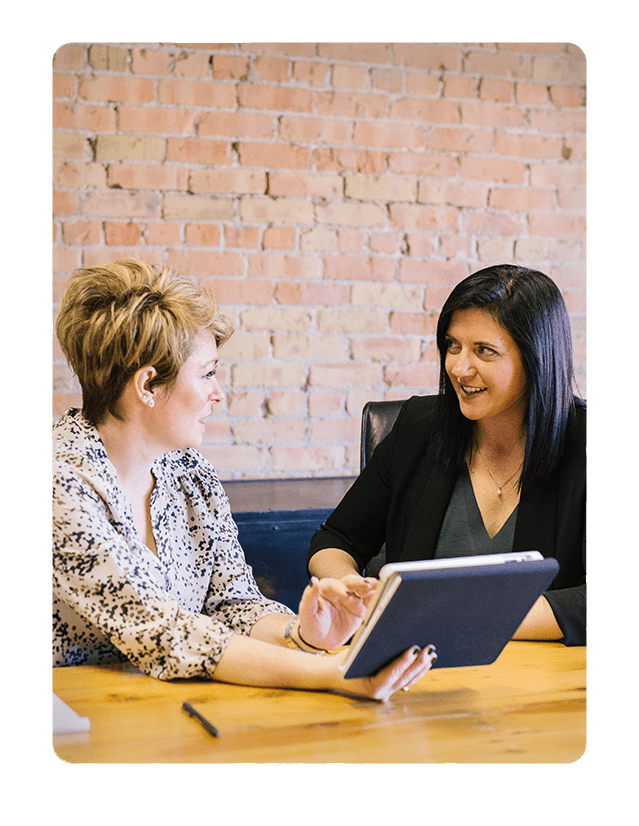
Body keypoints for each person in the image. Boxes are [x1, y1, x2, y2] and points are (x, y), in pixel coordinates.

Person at [52, 259, 436, 702]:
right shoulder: (60, 482)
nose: (218, 393)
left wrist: (303, 634)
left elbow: (232, 605)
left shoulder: (187, 471)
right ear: (148, 386)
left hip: (175, 708)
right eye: (208, 373)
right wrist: (331, 671)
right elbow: (167, 633)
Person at [308, 264, 586, 647]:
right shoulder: (419, 428)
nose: (458, 367)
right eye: (453, 346)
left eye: (484, 351)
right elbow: (335, 540)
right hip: (415, 672)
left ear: (537, 356)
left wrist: (457, 618)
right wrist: (347, 588)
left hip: (542, 682)